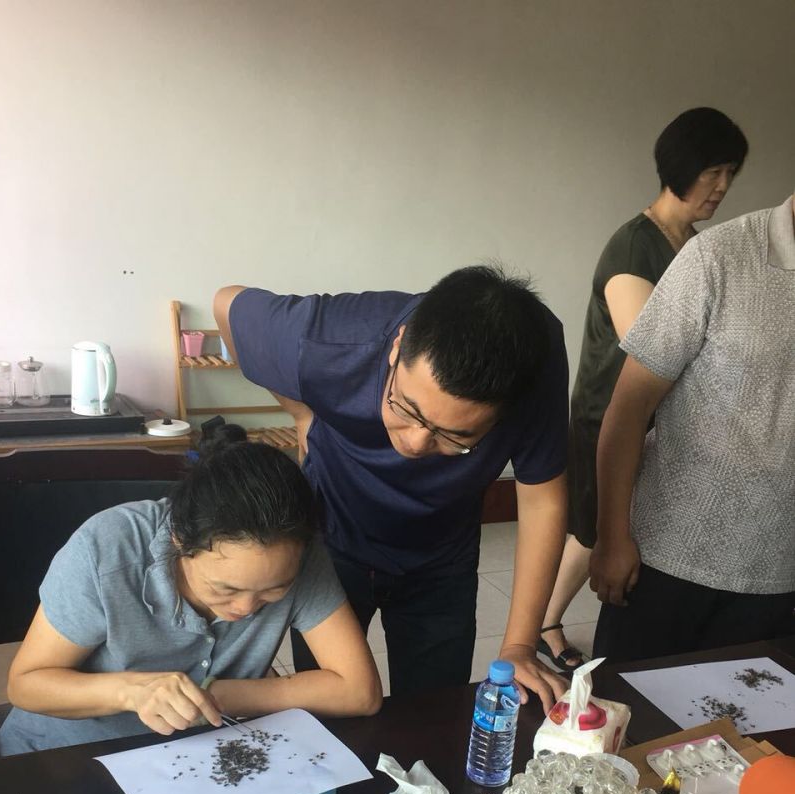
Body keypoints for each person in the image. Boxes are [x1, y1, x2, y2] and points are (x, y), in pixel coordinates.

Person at [214, 265, 569, 710]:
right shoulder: (327, 340)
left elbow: (542, 501)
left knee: (434, 711)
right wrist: (301, 411)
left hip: (442, 558)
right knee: (327, 709)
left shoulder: (535, 364)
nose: (416, 444)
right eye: (407, 408)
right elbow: (226, 303)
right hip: (333, 541)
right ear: (398, 346)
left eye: (454, 436)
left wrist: (519, 645)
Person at [0, 427, 382, 755]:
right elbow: (26, 685)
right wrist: (132, 692)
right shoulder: (106, 549)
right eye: (224, 588)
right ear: (179, 540)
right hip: (68, 755)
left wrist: (215, 695)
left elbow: (359, 692)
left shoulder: (296, 553)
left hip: (194, 758)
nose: (247, 607)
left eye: (274, 590)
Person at [539, 107, 748, 672]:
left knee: (614, 526)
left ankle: (549, 619)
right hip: (609, 416)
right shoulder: (635, 247)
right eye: (712, 172)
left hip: (663, 425)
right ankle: (544, 623)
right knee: (593, 529)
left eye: (730, 173)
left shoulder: (694, 247)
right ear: (680, 167)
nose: (722, 186)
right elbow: (648, 348)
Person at [589, 192, 795, 660]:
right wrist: (612, 536)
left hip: (780, 572)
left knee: (751, 707)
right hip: (671, 555)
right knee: (629, 702)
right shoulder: (718, 256)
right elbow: (630, 406)